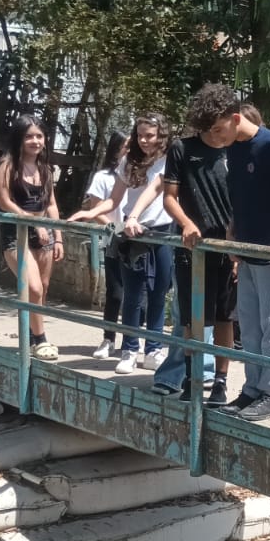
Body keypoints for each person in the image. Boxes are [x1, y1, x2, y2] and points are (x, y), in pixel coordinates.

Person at [192, 83, 270, 421]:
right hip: (246, 253)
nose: (216, 138)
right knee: (249, 328)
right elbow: (241, 195)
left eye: (219, 130)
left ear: (235, 119)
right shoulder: (234, 149)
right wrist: (233, 230)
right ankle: (252, 389)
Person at [70, 114, 182, 381]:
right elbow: (113, 200)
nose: (144, 140)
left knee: (159, 292)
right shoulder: (128, 162)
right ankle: (130, 349)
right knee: (133, 294)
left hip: (162, 232)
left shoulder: (171, 160)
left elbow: (159, 191)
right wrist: (90, 212)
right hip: (132, 233)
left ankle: (153, 348)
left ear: (161, 136)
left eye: (149, 135)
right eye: (140, 135)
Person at [145, 101, 242, 406]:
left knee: (225, 318)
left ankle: (221, 382)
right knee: (192, 320)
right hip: (193, 248)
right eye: (209, 128)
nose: (215, 134)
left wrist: (238, 245)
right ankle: (191, 378)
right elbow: (169, 198)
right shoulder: (182, 149)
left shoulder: (236, 149)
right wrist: (186, 223)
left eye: (219, 127)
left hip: (228, 248)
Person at [0, 115, 63, 361]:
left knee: (42, 288)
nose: (35, 141)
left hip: (44, 234)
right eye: (29, 136)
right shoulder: (7, 166)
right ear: (19, 139)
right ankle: (41, 340)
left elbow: (51, 204)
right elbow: (5, 203)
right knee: (32, 288)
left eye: (39, 136)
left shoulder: (45, 169)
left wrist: (58, 236)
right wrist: (33, 223)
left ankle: (32, 337)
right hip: (17, 234)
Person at [78, 131, 129, 360]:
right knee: (115, 293)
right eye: (126, 146)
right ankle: (108, 338)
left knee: (138, 297)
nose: (131, 150)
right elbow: (96, 210)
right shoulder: (103, 177)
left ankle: (131, 342)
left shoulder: (142, 175)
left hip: (140, 240)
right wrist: (117, 230)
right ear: (116, 149)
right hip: (115, 239)